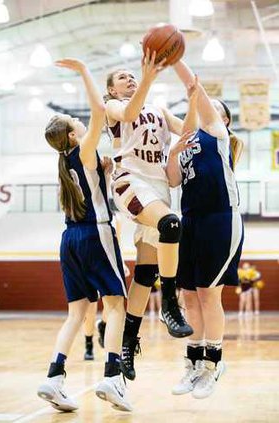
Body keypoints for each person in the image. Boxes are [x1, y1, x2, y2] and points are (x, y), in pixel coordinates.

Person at [37, 58, 132, 412]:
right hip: (97, 234)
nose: (83, 122)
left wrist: (105, 173)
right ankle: (111, 376)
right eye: (77, 123)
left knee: (76, 313)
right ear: (75, 135)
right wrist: (83, 71)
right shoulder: (85, 148)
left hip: (69, 240)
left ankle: (54, 376)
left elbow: (93, 184)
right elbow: (98, 107)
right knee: (116, 306)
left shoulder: (66, 161)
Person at [105, 49, 193, 380]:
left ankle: (127, 342)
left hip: (159, 187)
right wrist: (148, 76)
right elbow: (129, 113)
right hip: (131, 181)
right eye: (122, 77)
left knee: (145, 272)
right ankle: (170, 305)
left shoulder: (158, 108)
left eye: (132, 75)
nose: (129, 78)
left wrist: (195, 97)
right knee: (172, 225)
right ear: (112, 89)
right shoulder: (113, 107)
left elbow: (187, 130)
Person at [167, 61, 244, 399]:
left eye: (213, 107)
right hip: (191, 221)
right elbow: (172, 180)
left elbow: (195, 91)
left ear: (222, 118)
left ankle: (213, 364)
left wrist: (173, 60)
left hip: (220, 219)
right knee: (188, 296)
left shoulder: (216, 133)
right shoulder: (187, 139)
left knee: (209, 293)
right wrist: (172, 151)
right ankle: (194, 363)